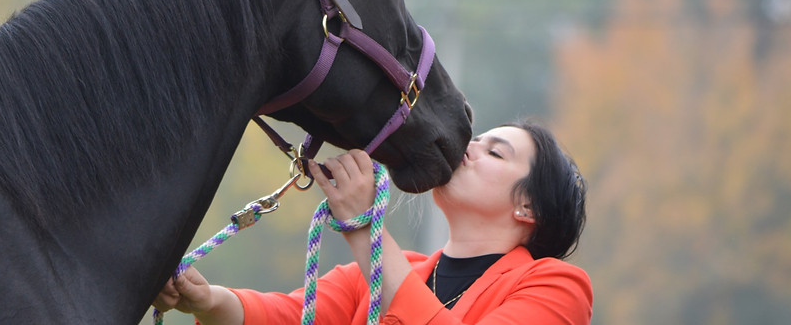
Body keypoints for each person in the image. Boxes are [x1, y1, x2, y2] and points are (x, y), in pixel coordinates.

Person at [153, 120, 592, 324]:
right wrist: (207, 300)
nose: (468, 148)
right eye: (474, 139)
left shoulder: (558, 288)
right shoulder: (362, 281)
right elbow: (287, 316)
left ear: (528, 208)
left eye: (495, 152)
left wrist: (364, 228)